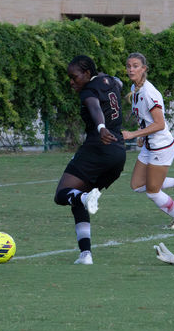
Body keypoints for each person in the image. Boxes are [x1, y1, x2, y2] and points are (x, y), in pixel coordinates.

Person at [54, 55, 126, 265]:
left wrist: (101, 127)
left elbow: (94, 107)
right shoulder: (110, 81)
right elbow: (118, 83)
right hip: (118, 154)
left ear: (87, 74)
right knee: (76, 198)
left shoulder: (88, 90)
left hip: (98, 147)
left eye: (74, 77)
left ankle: (86, 198)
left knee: (61, 195)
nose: (71, 81)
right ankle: (85, 254)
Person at [121, 52, 174, 230]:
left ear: (144, 69)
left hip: (161, 147)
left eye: (135, 66)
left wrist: (134, 134)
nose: (131, 69)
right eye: (129, 66)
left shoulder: (149, 92)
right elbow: (145, 118)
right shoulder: (135, 90)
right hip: (149, 145)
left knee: (152, 191)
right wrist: (142, 135)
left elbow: (159, 124)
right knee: (137, 185)